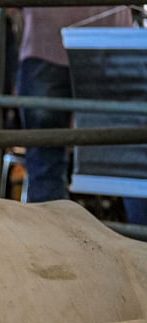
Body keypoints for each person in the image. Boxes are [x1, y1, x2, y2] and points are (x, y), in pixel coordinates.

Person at [16, 6, 133, 202]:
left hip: (48, 42)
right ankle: (135, 231)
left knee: (46, 159)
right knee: (131, 156)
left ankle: (51, 228)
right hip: (112, 41)